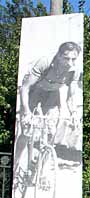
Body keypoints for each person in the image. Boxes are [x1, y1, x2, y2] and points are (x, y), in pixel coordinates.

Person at [14, 41, 82, 171]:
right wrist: (26, 111)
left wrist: (73, 113)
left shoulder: (74, 70)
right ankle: (15, 164)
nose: (70, 63)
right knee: (26, 131)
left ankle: (41, 169)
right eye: (66, 58)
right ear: (59, 56)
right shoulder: (45, 62)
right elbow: (25, 88)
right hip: (35, 91)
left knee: (52, 132)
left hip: (52, 95)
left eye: (73, 59)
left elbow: (71, 95)